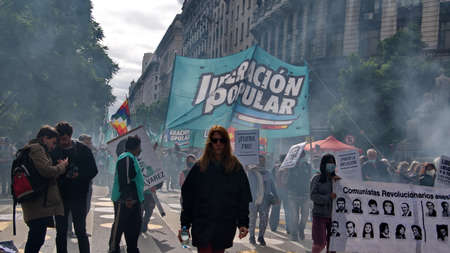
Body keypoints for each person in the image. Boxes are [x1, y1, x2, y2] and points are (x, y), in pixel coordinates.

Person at [179, 125, 252, 253]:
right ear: (210, 143)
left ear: (226, 142)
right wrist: (185, 226)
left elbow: (243, 197)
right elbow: (188, 198)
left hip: (224, 224)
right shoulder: (199, 167)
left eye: (222, 140)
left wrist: (243, 223)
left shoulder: (235, 167)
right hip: (202, 223)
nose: (218, 144)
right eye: (214, 140)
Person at [21, 126, 69, 253]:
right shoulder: (37, 149)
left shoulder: (35, 148)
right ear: (45, 138)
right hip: (36, 202)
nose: (53, 147)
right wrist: (61, 166)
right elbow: (46, 171)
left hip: (38, 201)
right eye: (53, 142)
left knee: (37, 238)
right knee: (36, 238)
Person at [52, 122, 97, 253]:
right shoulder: (55, 151)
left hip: (79, 196)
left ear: (70, 136)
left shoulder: (83, 150)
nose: (62, 142)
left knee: (80, 231)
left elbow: (93, 170)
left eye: (65, 139)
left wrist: (79, 175)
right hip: (60, 196)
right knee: (61, 232)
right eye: (60, 139)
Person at [109, 135, 144, 253]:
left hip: (134, 199)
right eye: (140, 147)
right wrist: (128, 198)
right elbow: (126, 179)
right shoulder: (126, 157)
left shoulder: (132, 158)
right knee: (119, 226)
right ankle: (113, 249)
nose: (141, 150)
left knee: (133, 227)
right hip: (125, 200)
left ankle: (132, 249)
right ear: (135, 147)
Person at [310, 154, 339, 253]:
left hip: (334, 216)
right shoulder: (317, 178)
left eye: (333, 163)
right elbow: (313, 196)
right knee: (320, 243)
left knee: (333, 245)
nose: (331, 165)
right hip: (319, 215)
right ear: (323, 164)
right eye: (329, 163)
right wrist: (328, 197)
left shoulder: (337, 180)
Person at [247, 155, 279, 246]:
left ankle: (261, 237)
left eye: (263, 161)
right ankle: (252, 236)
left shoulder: (268, 173)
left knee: (264, 220)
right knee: (252, 219)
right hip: (253, 200)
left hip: (265, 201)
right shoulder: (251, 173)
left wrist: (276, 196)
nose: (261, 162)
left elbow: (273, 186)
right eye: (260, 161)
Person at [285, 151, 310, 241]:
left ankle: (301, 229)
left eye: (302, 156)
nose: (301, 158)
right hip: (293, 195)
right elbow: (287, 181)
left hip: (305, 194)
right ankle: (294, 234)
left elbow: (309, 178)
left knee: (305, 216)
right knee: (294, 216)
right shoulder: (291, 166)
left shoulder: (307, 166)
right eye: (300, 156)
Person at [269, 154, 290, 233]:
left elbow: (271, 179)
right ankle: (289, 228)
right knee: (288, 210)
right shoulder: (289, 168)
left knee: (276, 209)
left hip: (277, 190)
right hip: (286, 191)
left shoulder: (275, 167)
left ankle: (273, 226)